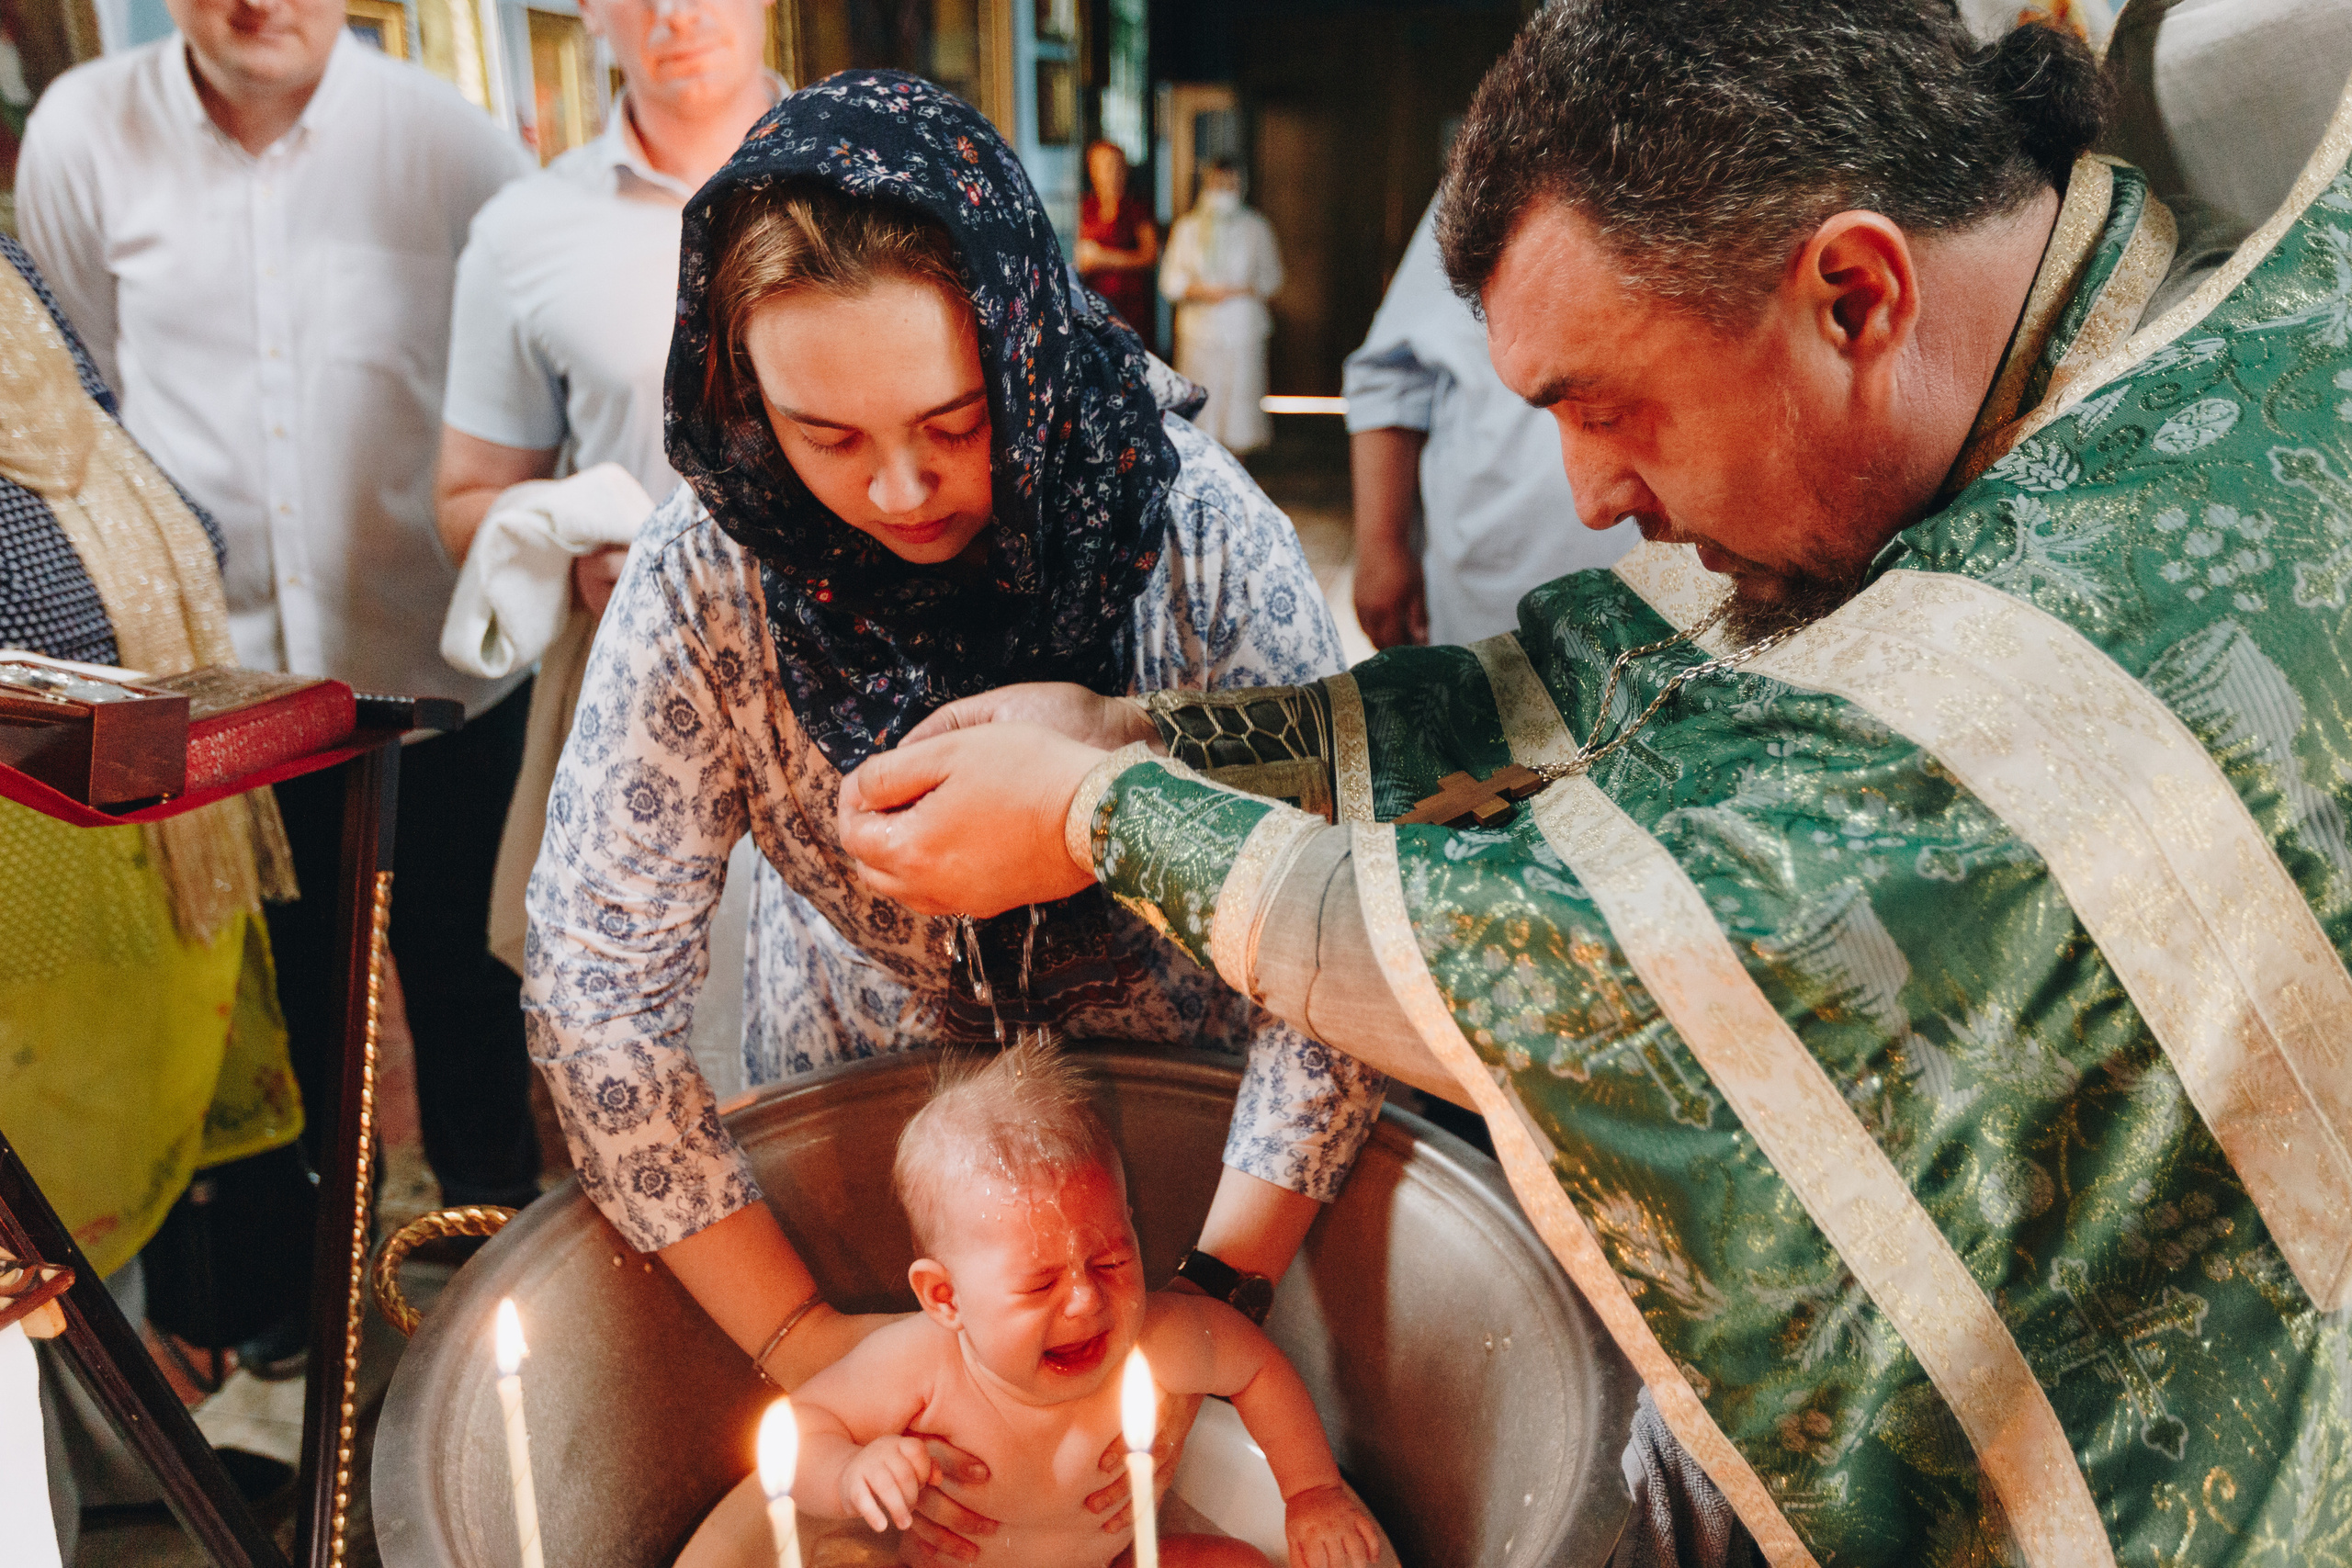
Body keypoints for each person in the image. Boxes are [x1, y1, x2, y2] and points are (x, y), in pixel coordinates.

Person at [831, 3, 2352, 1564]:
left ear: (1856, 290)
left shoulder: (2131, 590)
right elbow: (1600, 687)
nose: (1593, 496)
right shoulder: (2015, 371)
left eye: (1606, 405)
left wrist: (1097, 818)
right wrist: (1132, 736)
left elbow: (1614, 953)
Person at [521, 72, 1382, 1556]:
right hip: (866, 1102)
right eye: (826, 434)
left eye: (957, 419)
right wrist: (808, 1346)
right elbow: (596, 988)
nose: (902, 489)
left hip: (1181, 1136)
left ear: (1031, 352)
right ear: (742, 397)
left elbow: (1337, 916)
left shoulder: (1186, 535)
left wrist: (1207, 1301)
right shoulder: (706, 579)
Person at [17, 0, 538, 1369]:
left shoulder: (457, 145)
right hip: (227, 692)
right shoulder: (82, 137)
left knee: (468, 978)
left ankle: (500, 1280)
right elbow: (87, 401)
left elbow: (516, 396)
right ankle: (314, 1321)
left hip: (447, 662)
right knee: (294, 1012)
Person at [0, 233, 302, 1557]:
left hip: (98, 866)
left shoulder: (8, 264)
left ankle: (102, 1465)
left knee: (70, 1253)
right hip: (32, 877)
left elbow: (103, 443)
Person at [434, 0, 781, 1071]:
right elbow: (467, 498)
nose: (674, 14)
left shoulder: (881, 168)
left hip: (881, 678)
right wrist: (572, 548)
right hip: (649, 694)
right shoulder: (526, 232)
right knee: (652, 1038)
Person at [791, 1039, 1382, 1568]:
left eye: (1111, 1262)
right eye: (1040, 1285)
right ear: (946, 1298)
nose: (1085, 1300)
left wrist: (1311, 1491)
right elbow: (801, 1428)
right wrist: (848, 1474)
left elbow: (1254, 1367)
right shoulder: (920, 1366)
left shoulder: (1155, 1339)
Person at [1343, 197, 1635, 649]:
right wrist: (1383, 547)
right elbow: (1392, 377)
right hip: (1495, 580)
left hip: (1665, 596)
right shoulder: (1494, 184)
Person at [1159, 160, 1283, 456]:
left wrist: (1241, 289)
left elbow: (1273, 277)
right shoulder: (1187, 228)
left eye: (1231, 184)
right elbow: (1170, 281)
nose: (1224, 191)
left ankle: (1238, 469)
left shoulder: (1257, 227)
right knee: (1205, 403)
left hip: (1242, 328)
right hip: (1200, 330)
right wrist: (1203, 291)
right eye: (1218, 184)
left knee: (1239, 405)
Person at [1075, 139, 1159, 343]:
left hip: (1131, 305)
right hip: (1093, 303)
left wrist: (1106, 259)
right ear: (1092, 170)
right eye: (1102, 167)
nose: (1110, 173)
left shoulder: (1137, 208)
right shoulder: (1084, 207)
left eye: (1115, 166)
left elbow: (1150, 256)